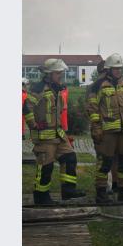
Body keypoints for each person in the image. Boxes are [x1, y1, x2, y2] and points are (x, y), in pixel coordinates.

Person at [23, 59, 86, 205]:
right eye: (58, 73)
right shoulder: (39, 89)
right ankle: (41, 196)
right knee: (46, 167)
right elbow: (26, 108)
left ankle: (68, 190)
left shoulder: (57, 89)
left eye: (61, 72)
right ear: (48, 74)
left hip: (58, 136)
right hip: (44, 138)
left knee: (69, 157)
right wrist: (34, 124)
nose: (61, 75)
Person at [87, 53, 123, 203]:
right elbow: (92, 109)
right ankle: (101, 193)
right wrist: (96, 128)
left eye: (120, 68)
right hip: (107, 133)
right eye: (115, 68)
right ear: (109, 69)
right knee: (104, 163)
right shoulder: (98, 86)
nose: (118, 71)